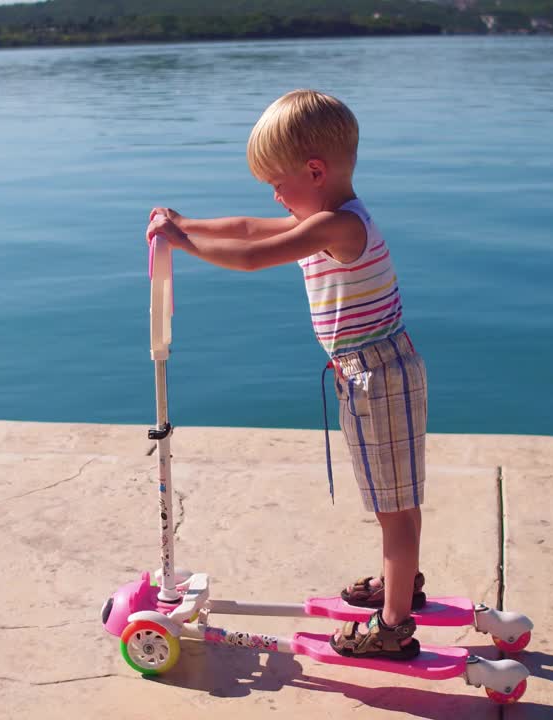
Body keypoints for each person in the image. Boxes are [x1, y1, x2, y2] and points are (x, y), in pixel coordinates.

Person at [146, 89, 428, 661]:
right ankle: (399, 581)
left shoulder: (340, 228)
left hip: (380, 375)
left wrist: (183, 242)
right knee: (387, 498)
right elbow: (251, 229)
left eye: (278, 182)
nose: (273, 196)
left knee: (395, 506)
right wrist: (188, 220)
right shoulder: (323, 220)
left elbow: (252, 256)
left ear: (315, 171)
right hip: (363, 373)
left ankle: (393, 624)